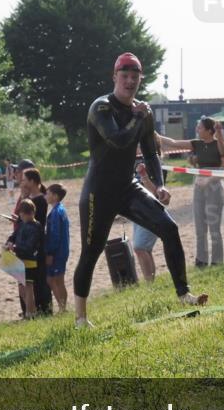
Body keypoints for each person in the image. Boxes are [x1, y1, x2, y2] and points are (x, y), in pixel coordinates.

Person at [73, 52, 207, 327]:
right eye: (125, 76)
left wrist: (160, 185)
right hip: (99, 192)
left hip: (127, 187)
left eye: (135, 77)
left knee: (168, 227)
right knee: (92, 250)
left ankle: (184, 294)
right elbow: (119, 140)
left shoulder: (142, 114)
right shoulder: (101, 107)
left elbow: (151, 154)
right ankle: (80, 317)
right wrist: (138, 117)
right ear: (115, 77)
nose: (130, 81)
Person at [158, 117, 224, 266]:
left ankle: (217, 261)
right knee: (200, 226)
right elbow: (173, 143)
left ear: (210, 131)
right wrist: (153, 134)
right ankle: (201, 260)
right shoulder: (196, 144)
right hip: (198, 187)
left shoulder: (220, 144)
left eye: (200, 127)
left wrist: (209, 179)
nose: (197, 129)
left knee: (214, 227)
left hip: (214, 188)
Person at [16, 167, 51, 314]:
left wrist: (25, 197)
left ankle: (41, 309)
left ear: (32, 181)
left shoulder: (41, 200)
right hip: (24, 244)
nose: (22, 182)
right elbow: (20, 218)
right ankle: (28, 309)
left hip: (34, 247)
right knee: (25, 282)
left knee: (37, 281)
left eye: (24, 179)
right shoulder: (28, 198)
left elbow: (36, 223)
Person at [7, 199, 41, 318]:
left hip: (29, 260)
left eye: (24, 214)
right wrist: (9, 242)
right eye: (21, 214)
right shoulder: (22, 224)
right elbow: (13, 236)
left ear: (32, 213)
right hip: (19, 260)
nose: (22, 216)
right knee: (22, 289)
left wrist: (15, 247)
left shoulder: (36, 226)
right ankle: (31, 310)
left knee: (28, 287)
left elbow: (30, 246)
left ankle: (30, 313)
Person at [45, 183, 70, 314]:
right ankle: (62, 307)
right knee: (53, 279)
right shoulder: (60, 209)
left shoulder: (56, 212)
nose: (46, 196)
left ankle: (63, 308)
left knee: (57, 280)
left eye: (48, 193)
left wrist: (50, 253)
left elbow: (55, 235)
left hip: (58, 252)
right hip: (62, 250)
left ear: (55, 196)